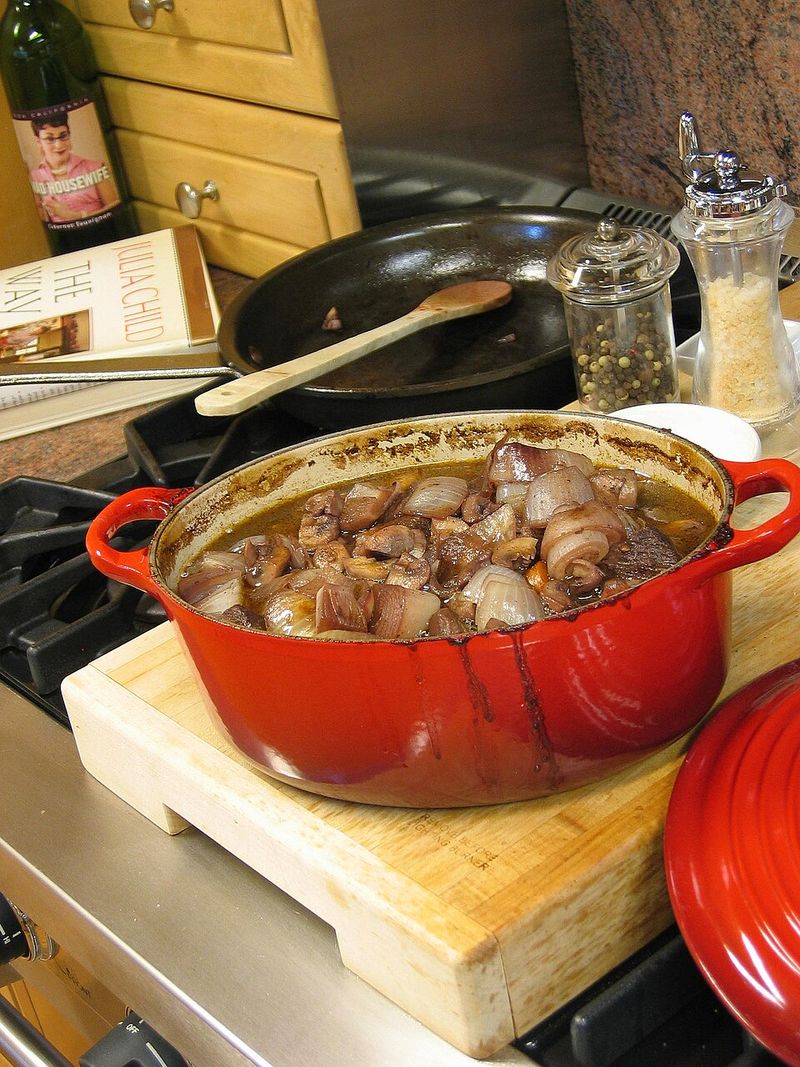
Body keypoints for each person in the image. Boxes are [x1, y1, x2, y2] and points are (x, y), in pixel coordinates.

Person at [28, 112, 120, 223]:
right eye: (50, 139)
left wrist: (76, 216)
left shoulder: (94, 167)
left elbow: (115, 208)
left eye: (63, 136)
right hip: (60, 233)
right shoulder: (35, 176)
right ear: (38, 142)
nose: (59, 145)